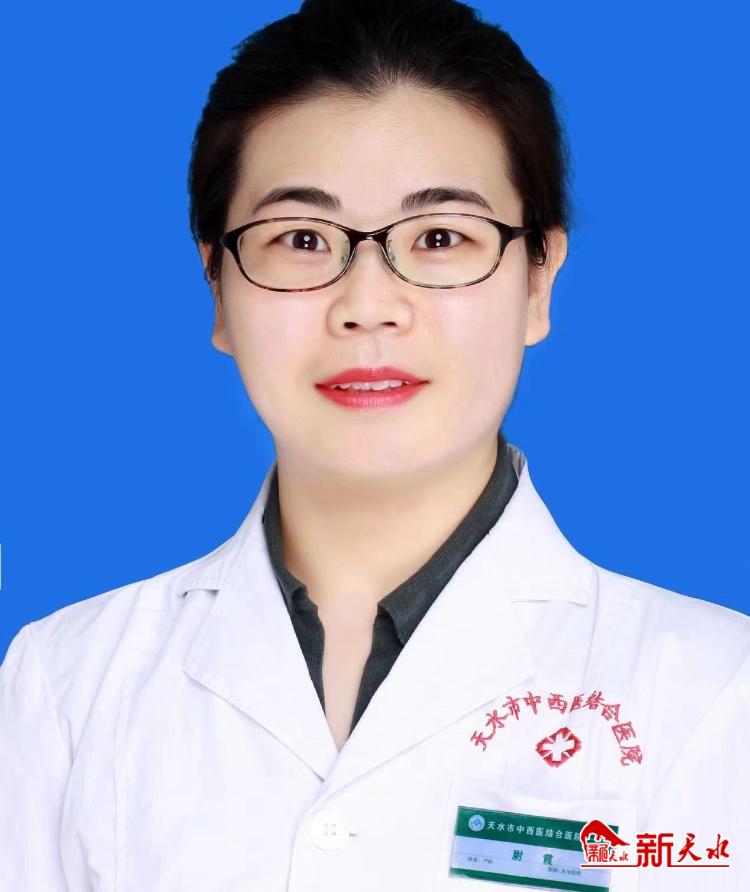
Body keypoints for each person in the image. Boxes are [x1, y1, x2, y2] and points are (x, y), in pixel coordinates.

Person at [1, 0, 747, 889]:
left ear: (539, 280)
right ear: (217, 288)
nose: (367, 305)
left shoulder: (714, 693)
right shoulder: (67, 685)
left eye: (440, 238)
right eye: (301, 239)